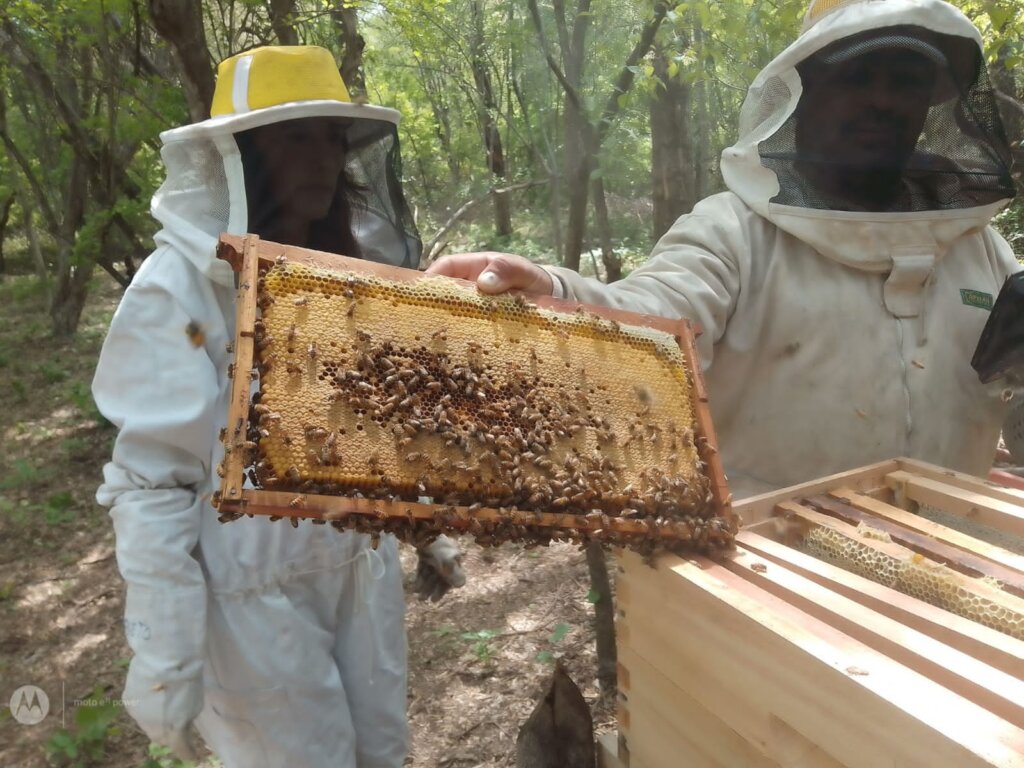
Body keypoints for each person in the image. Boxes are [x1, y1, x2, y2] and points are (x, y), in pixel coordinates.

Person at [427, 0, 1019, 499]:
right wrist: (555, 293)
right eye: (858, 77)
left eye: (906, 81)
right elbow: (651, 316)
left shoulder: (984, 252)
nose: (883, 101)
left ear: (930, 105)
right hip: (776, 580)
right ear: (803, 94)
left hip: (952, 571)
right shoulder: (732, 231)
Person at [92, 45, 464, 768]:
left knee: (384, 754)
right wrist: (164, 647)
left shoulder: (341, 271)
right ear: (242, 157)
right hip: (250, 596)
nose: (322, 159)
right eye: (296, 137)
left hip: (360, 565)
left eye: (331, 138)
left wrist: (423, 522)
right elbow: (152, 481)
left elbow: (375, 425)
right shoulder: (175, 292)